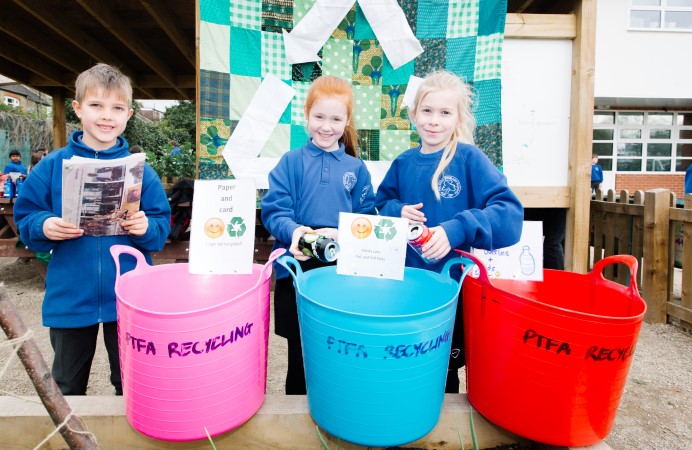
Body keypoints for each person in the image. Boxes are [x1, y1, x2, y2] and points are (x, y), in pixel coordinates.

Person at [13, 63, 171, 396]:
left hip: (129, 296)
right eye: (96, 105)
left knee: (130, 384)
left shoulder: (142, 171)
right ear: (78, 108)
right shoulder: (53, 165)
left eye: (116, 108)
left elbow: (160, 229)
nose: (106, 116)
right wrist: (44, 224)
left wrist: (145, 225)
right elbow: (25, 218)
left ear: (128, 114)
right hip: (70, 295)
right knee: (68, 384)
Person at [375, 70, 524, 393]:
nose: (434, 121)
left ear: (458, 119)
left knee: (443, 378)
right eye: (427, 111)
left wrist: (456, 229)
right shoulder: (402, 162)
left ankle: (441, 438)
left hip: (452, 293)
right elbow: (380, 205)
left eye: (445, 113)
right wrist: (396, 211)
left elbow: (510, 216)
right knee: (404, 369)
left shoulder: (470, 159)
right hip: (406, 290)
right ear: (414, 116)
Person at [261, 75, 376, 395]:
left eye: (336, 119)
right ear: (307, 115)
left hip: (339, 271)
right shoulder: (290, 163)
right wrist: (295, 233)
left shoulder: (357, 168)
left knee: (337, 345)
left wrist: (342, 233)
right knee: (298, 352)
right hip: (295, 268)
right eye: (320, 117)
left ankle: (334, 410)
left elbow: (367, 219)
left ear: (347, 120)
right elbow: (273, 211)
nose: (327, 126)